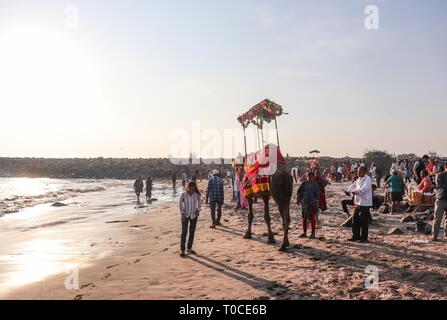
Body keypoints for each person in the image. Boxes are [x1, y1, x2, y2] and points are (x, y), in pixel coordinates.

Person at [347, 166, 372, 243]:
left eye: (359, 171)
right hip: (358, 202)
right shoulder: (359, 179)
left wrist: (355, 191)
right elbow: (353, 185)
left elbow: (364, 189)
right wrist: (348, 190)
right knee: (355, 220)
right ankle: (355, 236)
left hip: (365, 203)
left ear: (364, 172)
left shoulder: (368, 179)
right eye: (357, 171)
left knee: (363, 221)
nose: (358, 173)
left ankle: (364, 238)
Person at [179, 181, 201, 257]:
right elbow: (180, 204)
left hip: (194, 216)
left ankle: (189, 248)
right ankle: (182, 250)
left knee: (192, 232)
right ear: (187, 187)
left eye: (193, 187)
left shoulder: (196, 195)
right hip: (185, 215)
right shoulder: (183, 195)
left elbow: (200, 202)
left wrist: (198, 210)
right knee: (184, 232)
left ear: (194, 188)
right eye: (190, 187)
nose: (191, 189)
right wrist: (182, 214)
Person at [297, 172, 320, 239]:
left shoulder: (315, 185)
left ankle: (313, 233)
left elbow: (317, 195)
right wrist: (298, 198)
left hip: (312, 203)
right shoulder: (304, 183)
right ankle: (304, 233)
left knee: (312, 218)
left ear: (313, 177)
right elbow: (299, 191)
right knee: (304, 218)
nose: (310, 178)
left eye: (311, 177)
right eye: (309, 177)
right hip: (304, 203)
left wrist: (317, 203)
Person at [432, 165, 447, 241]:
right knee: (437, 218)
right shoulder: (440, 175)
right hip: (441, 199)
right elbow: (440, 185)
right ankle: (434, 235)